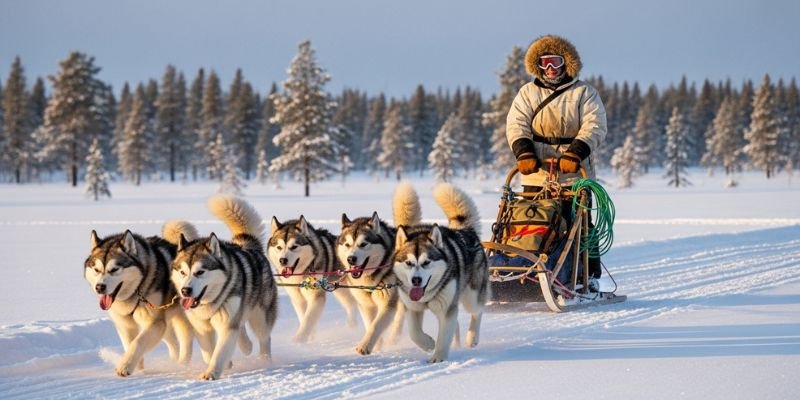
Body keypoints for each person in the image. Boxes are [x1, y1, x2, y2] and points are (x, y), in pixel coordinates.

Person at [505, 34, 607, 281]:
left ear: (567, 63)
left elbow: (595, 125)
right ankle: (523, 270)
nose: (550, 69)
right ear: (536, 66)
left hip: (574, 174)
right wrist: (524, 152)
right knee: (530, 222)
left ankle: (589, 277)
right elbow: (516, 124)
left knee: (580, 226)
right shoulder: (527, 93)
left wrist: (576, 152)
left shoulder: (584, 92)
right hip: (536, 173)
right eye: (545, 63)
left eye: (556, 62)